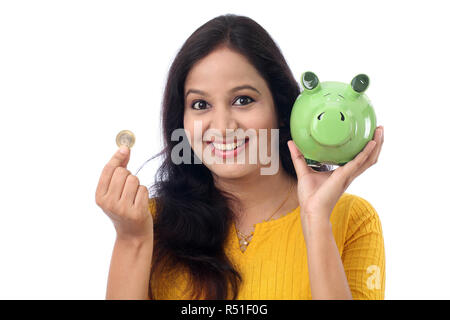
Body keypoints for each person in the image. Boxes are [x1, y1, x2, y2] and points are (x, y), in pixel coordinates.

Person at [95, 14, 385, 300]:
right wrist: (131, 239)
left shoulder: (353, 219)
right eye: (200, 104)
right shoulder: (148, 222)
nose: (222, 127)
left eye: (243, 100)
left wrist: (316, 220)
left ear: (282, 110)